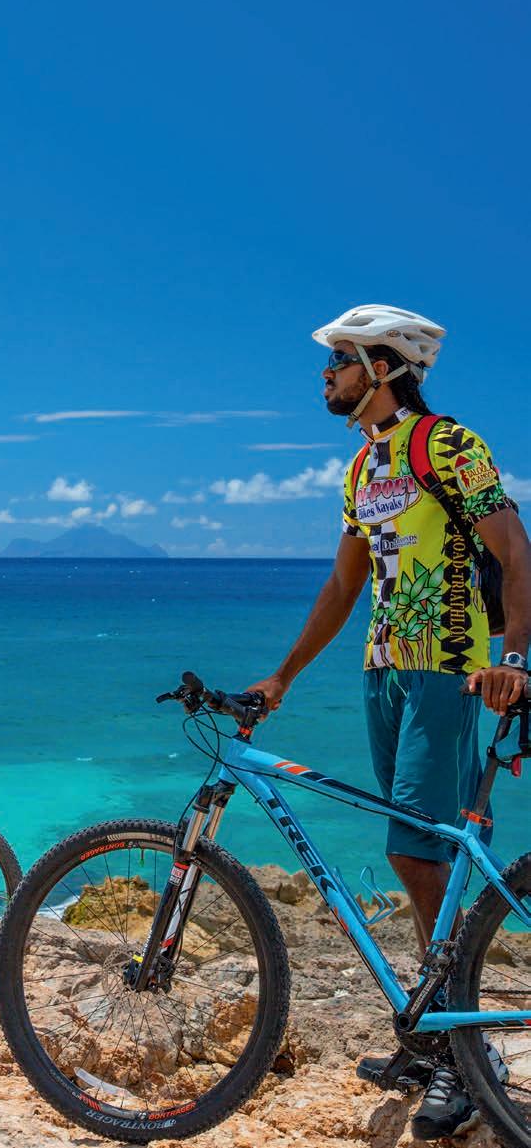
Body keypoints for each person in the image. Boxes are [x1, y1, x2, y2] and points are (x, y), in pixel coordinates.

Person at [248, 305, 531, 1140]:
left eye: (337, 360)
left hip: (447, 668)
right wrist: (283, 675)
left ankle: (467, 1053)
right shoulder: (359, 467)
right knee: (419, 854)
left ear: (381, 366)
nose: (324, 375)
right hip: (381, 672)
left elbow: (514, 550)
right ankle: (435, 1027)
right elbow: (344, 586)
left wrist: (513, 659)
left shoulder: (446, 444)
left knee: (413, 848)